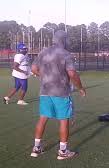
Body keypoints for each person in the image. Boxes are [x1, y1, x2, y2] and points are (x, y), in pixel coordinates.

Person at [30, 30, 86, 160]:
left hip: (45, 91)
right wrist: (81, 88)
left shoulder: (43, 52)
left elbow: (33, 69)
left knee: (43, 118)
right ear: (64, 40)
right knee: (64, 120)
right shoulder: (66, 54)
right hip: (61, 93)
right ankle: (63, 152)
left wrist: (45, 78)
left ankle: (36, 148)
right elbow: (72, 74)